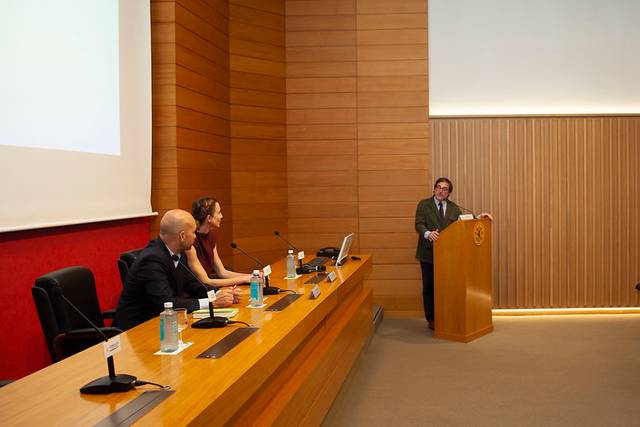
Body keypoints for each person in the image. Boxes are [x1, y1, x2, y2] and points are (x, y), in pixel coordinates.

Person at [113, 209, 235, 331]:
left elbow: (194, 284)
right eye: (193, 233)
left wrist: (220, 294)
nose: (195, 237)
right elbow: (167, 303)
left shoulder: (178, 253)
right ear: (182, 236)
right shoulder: (151, 260)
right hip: (136, 330)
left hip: (163, 324)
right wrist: (210, 302)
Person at [414, 177, 492, 331]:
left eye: (445, 189)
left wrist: (478, 218)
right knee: (429, 287)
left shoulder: (454, 208)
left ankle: (446, 316)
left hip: (449, 257)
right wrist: (428, 233)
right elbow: (418, 224)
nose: (440, 191)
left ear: (449, 193)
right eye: (438, 187)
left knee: (447, 288)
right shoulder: (424, 204)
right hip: (428, 254)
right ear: (434, 189)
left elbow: (462, 224)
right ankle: (431, 318)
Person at [186, 197, 252, 287]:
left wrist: (252, 276)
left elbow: (222, 272)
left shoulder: (211, 235)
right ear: (209, 218)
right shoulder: (191, 241)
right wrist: (244, 279)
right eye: (219, 212)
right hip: (195, 292)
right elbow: (206, 281)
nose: (222, 216)